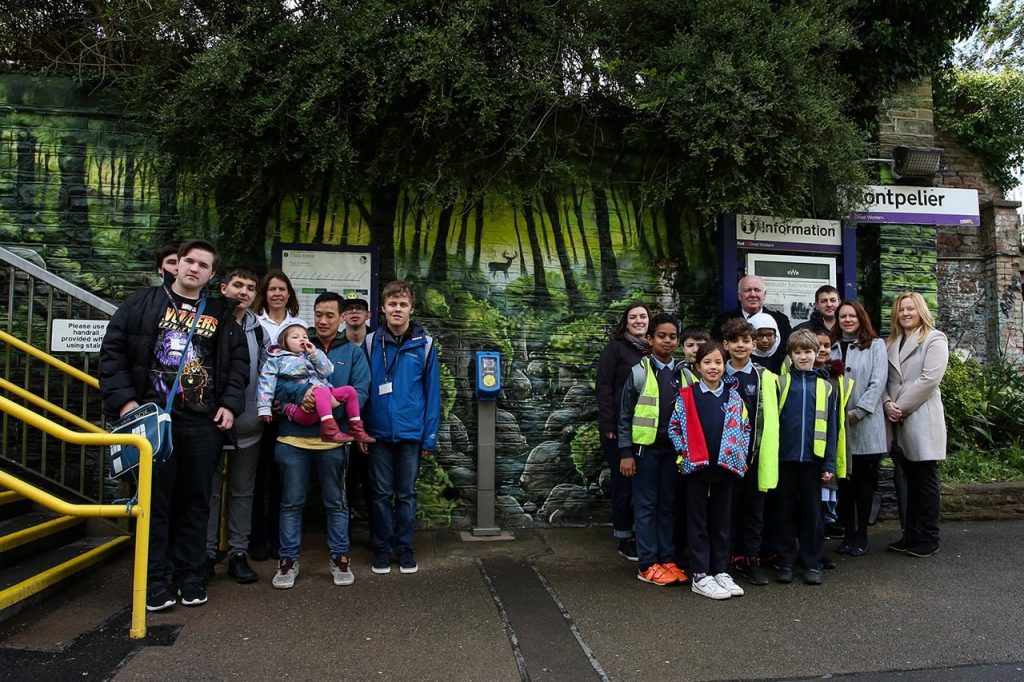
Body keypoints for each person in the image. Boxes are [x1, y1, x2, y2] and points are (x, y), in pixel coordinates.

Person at [99, 238, 249, 611]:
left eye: (203, 265)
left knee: (196, 502)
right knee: (154, 503)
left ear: (212, 275)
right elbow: (112, 351)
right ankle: (153, 580)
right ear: (175, 264)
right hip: (153, 422)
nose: (194, 269)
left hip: (202, 424)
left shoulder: (222, 314)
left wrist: (229, 405)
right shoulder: (141, 304)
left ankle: (190, 575)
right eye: (189, 261)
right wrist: (126, 402)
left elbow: (238, 366)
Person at [270, 292, 371, 589]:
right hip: (292, 439)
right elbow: (273, 387)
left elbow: (361, 392)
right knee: (291, 503)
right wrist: (301, 399)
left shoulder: (352, 352)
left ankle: (340, 558)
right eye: (318, 314)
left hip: (333, 443)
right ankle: (287, 561)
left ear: (341, 319)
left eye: (330, 315)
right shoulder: (293, 346)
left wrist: (335, 405)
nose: (323, 320)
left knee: (336, 503)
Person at [362, 281, 441, 575]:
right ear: (382, 308)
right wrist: (362, 430)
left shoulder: (425, 344)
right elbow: (363, 388)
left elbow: (433, 393)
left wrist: (429, 436)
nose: (397, 309)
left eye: (403, 304)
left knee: (406, 494)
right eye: (392, 304)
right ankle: (382, 549)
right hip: (378, 433)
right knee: (380, 494)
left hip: (411, 433)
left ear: (411, 309)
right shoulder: (371, 343)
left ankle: (405, 548)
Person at [668, 342, 750, 600]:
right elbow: (674, 428)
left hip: (726, 469)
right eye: (707, 362)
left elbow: (746, 429)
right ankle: (700, 573)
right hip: (697, 470)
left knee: (722, 521)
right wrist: (686, 453)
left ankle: (720, 569)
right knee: (698, 521)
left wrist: (739, 455)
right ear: (697, 366)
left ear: (724, 365)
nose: (713, 367)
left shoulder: (734, 397)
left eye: (718, 362)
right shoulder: (686, 396)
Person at [617, 313, 691, 586]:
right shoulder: (639, 372)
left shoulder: (684, 375)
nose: (668, 341)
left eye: (673, 337)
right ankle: (647, 564)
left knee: (668, 506)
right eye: (662, 336)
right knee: (646, 506)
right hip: (644, 451)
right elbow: (624, 415)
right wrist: (625, 452)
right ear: (650, 339)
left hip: (674, 451)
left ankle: (667, 560)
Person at [204, 268, 266, 585]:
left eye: (251, 287)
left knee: (243, 492)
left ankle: (238, 553)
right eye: (238, 285)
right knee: (209, 492)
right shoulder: (207, 321)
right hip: (210, 423)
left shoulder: (258, 331)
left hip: (249, 425)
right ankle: (206, 553)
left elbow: (267, 374)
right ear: (224, 287)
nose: (244, 292)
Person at [883, 292, 949, 559]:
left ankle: (929, 537)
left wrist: (900, 406)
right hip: (898, 420)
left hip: (920, 417)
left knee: (925, 480)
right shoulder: (893, 342)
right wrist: (887, 403)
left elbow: (929, 379)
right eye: (901, 310)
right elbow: (886, 380)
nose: (906, 313)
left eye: (910, 309)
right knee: (907, 480)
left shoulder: (935, 338)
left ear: (920, 310)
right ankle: (910, 535)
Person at [775, 330, 838, 586]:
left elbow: (833, 427)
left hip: (814, 461)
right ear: (790, 355)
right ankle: (786, 561)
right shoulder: (780, 383)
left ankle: (812, 562)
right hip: (784, 459)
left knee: (813, 514)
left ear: (817, 354)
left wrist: (830, 462)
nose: (803, 357)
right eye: (798, 352)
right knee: (784, 513)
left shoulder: (826, 386)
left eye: (808, 352)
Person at [249, 269, 303, 561]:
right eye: (272, 289)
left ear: (290, 293)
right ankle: (257, 539)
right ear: (265, 294)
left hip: (288, 411)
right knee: (259, 477)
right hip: (260, 411)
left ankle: (279, 539)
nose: (278, 294)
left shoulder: (300, 325)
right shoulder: (255, 323)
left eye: (283, 289)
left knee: (285, 480)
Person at [721, 319, 779, 587]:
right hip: (725, 457)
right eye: (735, 341)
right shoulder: (718, 373)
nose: (741, 346)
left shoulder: (764, 377)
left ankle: (750, 559)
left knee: (753, 510)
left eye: (746, 341)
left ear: (754, 344)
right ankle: (725, 560)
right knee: (725, 509)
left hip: (753, 456)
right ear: (726, 345)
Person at [595, 302, 651, 561]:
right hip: (619, 430)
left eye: (643, 316)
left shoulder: (653, 352)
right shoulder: (615, 350)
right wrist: (608, 425)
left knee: (643, 485)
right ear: (625, 322)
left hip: (645, 431)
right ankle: (623, 537)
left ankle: (643, 533)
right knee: (624, 484)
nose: (639, 320)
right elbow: (604, 387)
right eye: (633, 317)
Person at [831, 300, 888, 556]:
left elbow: (878, 382)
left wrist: (859, 411)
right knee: (844, 483)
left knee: (864, 482)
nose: (847, 320)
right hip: (837, 424)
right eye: (842, 316)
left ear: (860, 317)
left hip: (864, 424)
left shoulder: (876, 345)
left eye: (852, 315)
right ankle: (848, 533)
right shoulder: (831, 346)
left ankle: (862, 534)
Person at [258, 322, 375, 444]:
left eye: (305, 337)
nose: (301, 339)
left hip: (322, 397)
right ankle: (330, 430)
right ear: (284, 342)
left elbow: (327, 371)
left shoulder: (311, 356)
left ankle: (355, 428)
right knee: (320, 390)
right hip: (298, 409)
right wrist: (264, 407)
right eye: (295, 337)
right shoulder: (276, 359)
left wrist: (314, 354)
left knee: (349, 391)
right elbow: (266, 382)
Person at [715, 275, 792, 347]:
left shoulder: (781, 321)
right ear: (739, 296)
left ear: (764, 295)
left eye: (757, 290)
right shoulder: (724, 321)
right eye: (748, 290)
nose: (753, 294)